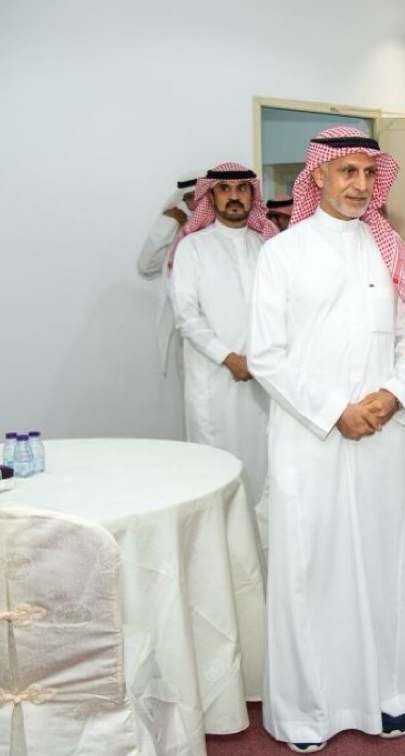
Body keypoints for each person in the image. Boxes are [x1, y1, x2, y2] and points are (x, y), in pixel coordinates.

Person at [248, 126, 405, 754]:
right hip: (310, 438)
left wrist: (393, 394)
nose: (359, 184)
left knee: (382, 561)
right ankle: (309, 712)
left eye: (368, 173)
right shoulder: (282, 254)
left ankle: (388, 693)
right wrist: (334, 412)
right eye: (346, 171)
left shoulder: (393, 251)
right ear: (318, 176)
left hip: (379, 433)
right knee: (313, 566)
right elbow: (266, 355)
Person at [169, 163, 276, 508]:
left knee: (264, 462)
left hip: (263, 377)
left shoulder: (266, 247)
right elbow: (186, 316)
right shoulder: (193, 248)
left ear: (252, 195)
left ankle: (262, 537)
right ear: (210, 196)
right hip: (213, 379)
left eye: (242, 189)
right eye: (225, 189)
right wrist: (228, 358)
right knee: (216, 467)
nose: (234, 196)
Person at [137, 171, 200, 377]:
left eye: (197, 196)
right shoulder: (177, 228)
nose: (193, 202)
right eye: (188, 197)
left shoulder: (222, 230)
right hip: (181, 326)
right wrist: (168, 224)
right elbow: (146, 267)